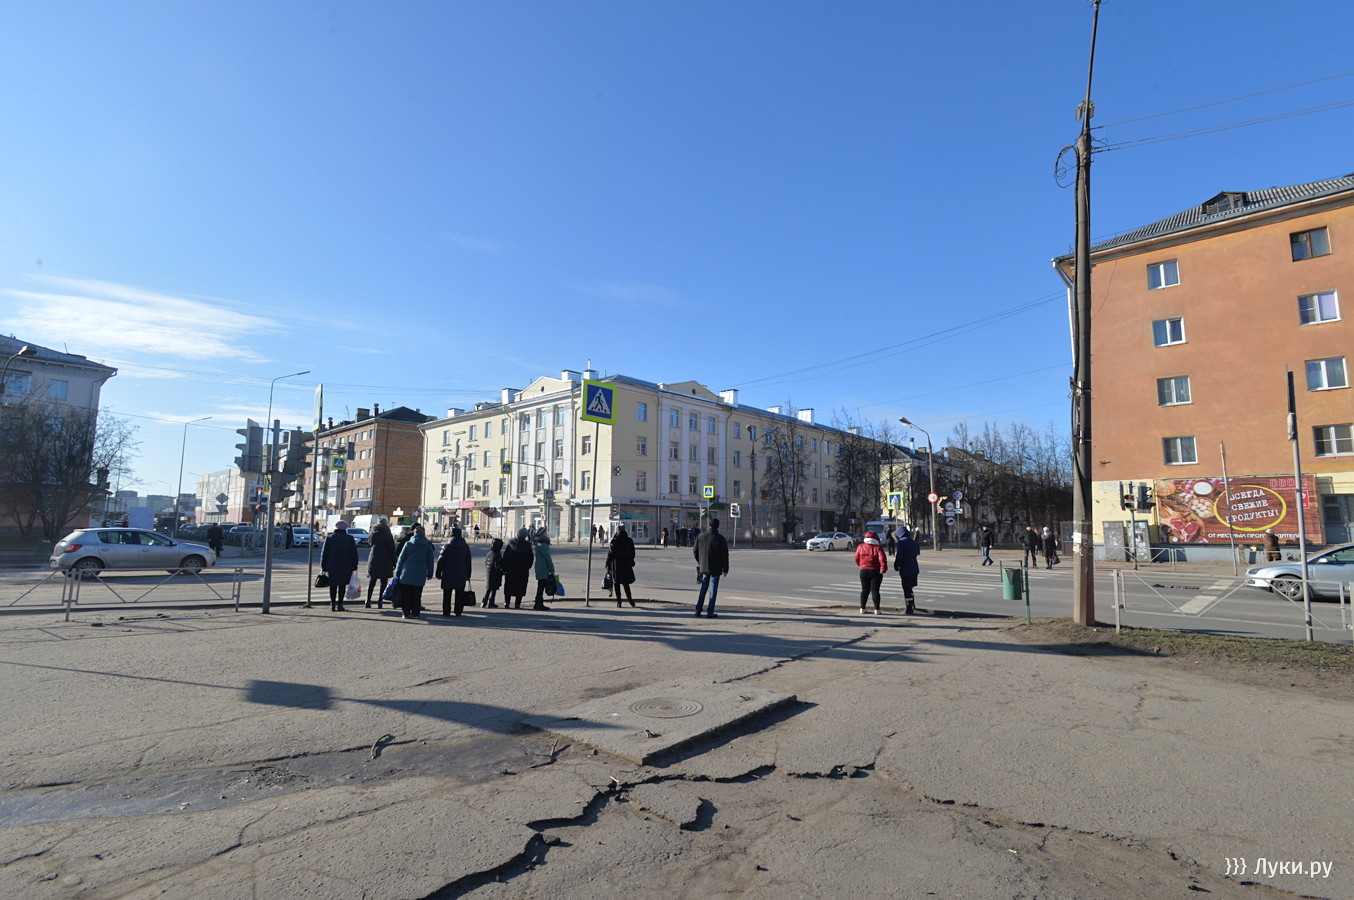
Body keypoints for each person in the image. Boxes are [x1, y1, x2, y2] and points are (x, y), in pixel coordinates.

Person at [394, 524, 435, 618]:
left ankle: (405, 613)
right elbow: (430, 561)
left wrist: (398, 571)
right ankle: (415, 613)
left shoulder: (408, 544)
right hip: (420, 572)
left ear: (414, 533)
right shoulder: (427, 545)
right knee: (417, 594)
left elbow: (401, 559)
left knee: (406, 594)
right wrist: (430, 573)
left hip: (407, 572)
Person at [320, 520, 359, 612]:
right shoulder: (349, 538)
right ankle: (340, 604)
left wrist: (323, 565)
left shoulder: (330, 538)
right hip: (346, 566)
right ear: (346, 528)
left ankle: (333, 604)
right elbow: (354, 553)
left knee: (332, 585)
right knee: (342, 585)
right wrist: (354, 565)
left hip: (332, 565)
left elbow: (324, 553)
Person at [693, 518, 729, 618]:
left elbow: (695, 551)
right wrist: (725, 569)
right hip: (716, 568)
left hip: (704, 566)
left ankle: (698, 610)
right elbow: (725, 555)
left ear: (709, 525)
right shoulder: (720, 538)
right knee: (713, 588)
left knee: (703, 587)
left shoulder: (701, 537)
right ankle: (710, 611)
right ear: (718, 526)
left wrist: (700, 561)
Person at [436, 526, 473, 616]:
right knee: (460, 592)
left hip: (448, 573)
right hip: (461, 573)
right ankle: (458, 611)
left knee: (447, 593)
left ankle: (446, 611)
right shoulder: (465, 547)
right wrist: (468, 574)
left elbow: (441, 560)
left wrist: (438, 572)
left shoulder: (447, 546)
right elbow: (468, 562)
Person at [855, 530, 889, 615]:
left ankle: (862, 608)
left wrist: (861, 565)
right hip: (875, 571)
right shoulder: (878, 548)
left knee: (864, 590)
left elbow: (856, 558)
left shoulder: (860, 546)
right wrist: (883, 570)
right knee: (875, 591)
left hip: (863, 571)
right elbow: (882, 560)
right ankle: (877, 609)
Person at [366, 520, 397, 608]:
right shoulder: (388, 535)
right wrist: (394, 561)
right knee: (383, 582)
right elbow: (391, 549)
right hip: (385, 560)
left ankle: (368, 600)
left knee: (372, 581)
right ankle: (380, 601)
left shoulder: (372, 533)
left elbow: (370, 544)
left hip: (373, 558)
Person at [500, 528, 534, 609]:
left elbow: (506, 557)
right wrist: (527, 567)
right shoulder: (527, 546)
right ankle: (517, 604)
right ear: (525, 536)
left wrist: (504, 568)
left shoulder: (511, 545)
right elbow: (530, 559)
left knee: (509, 586)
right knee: (521, 586)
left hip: (511, 570)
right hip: (522, 571)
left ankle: (506, 602)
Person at [607, 526, 638, 608]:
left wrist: (607, 564)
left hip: (616, 564)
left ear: (617, 531)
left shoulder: (614, 541)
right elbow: (632, 553)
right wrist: (630, 560)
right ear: (625, 530)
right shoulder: (629, 540)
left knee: (616, 583)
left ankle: (619, 602)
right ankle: (630, 601)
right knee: (626, 584)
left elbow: (610, 554)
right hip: (626, 564)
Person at [895, 526, 920, 615]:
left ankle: (909, 608)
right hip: (914, 568)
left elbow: (899, 555)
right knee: (910, 587)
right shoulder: (913, 542)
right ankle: (913, 605)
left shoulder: (901, 542)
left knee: (906, 589)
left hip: (905, 569)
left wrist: (896, 565)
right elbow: (917, 552)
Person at [531, 528, 556, 610]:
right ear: (542, 534)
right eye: (545, 533)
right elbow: (547, 557)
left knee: (540, 586)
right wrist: (552, 568)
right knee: (541, 586)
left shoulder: (539, 543)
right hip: (543, 567)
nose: (546, 534)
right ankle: (538, 604)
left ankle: (538, 603)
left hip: (540, 566)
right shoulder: (542, 545)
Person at [482, 537, 504, 608]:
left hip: (489, 572)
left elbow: (486, 562)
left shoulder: (489, 553)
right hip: (495, 574)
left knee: (488, 588)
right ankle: (491, 602)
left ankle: (484, 602)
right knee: (493, 589)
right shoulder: (497, 554)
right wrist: (502, 572)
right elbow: (497, 565)